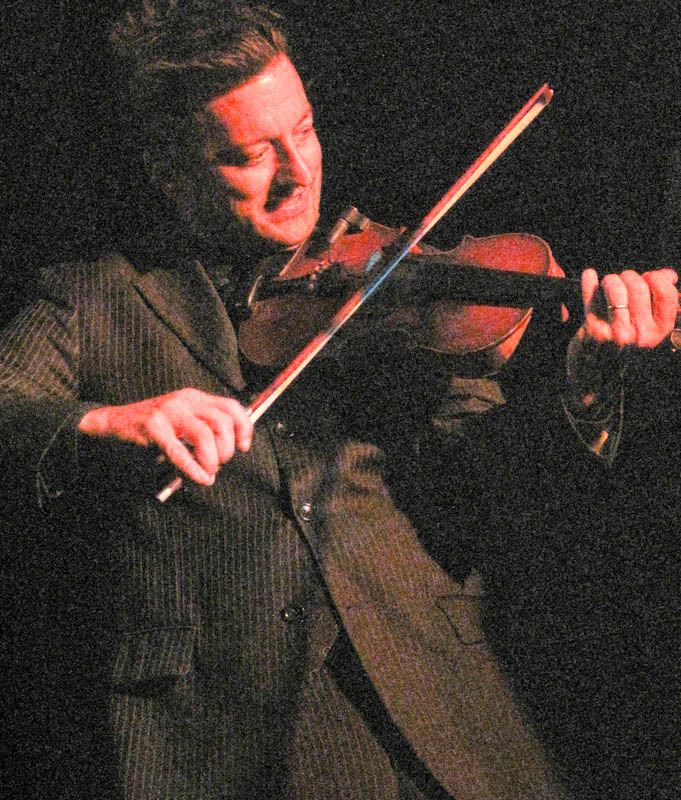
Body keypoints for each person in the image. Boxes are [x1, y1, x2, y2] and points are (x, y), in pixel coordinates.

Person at [0, 2, 678, 798]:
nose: (298, 174)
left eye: (305, 130)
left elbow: (496, 483)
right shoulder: (95, 298)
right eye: (251, 155)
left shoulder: (393, 280)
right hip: (225, 735)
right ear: (169, 171)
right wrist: (109, 421)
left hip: (442, 708)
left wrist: (588, 377)